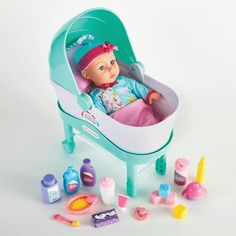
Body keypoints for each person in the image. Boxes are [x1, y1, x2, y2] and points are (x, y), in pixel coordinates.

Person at [75, 37, 162, 126]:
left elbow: (136, 87)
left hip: (139, 110)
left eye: (112, 62)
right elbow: (101, 117)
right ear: (86, 74)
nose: (111, 68)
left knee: (149, 118)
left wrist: (149, 94)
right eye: (101, 67)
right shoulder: (96, 95)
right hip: (121, 120)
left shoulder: (123, 80)